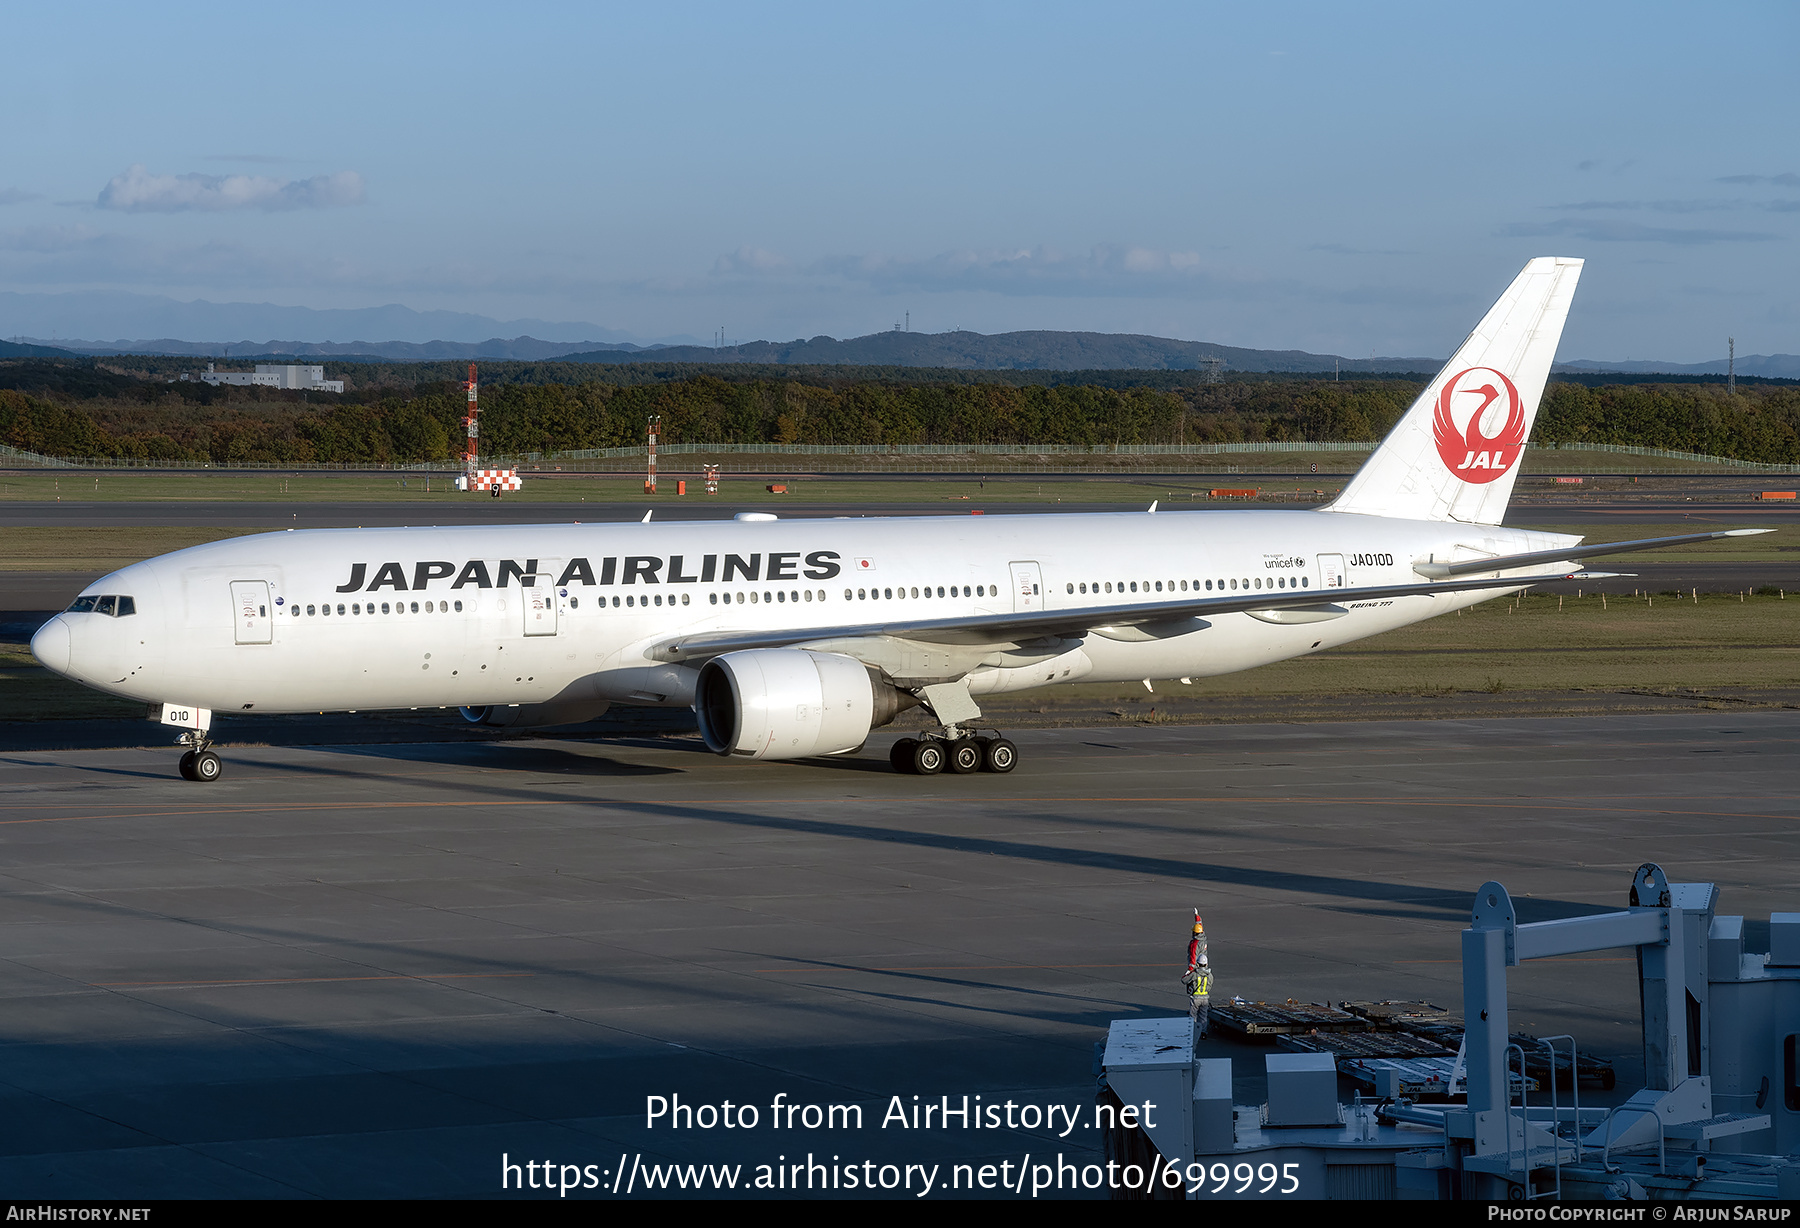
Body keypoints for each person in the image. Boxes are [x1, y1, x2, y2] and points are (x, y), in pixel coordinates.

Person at [1183, 911, 1211, 1038]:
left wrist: (1189, 971)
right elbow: (1200, 926)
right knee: (1203, 1015)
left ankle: (1192, 1031)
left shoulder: (1194, 944)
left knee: (1193, 1014)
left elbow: (1193, 959)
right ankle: (1203, 1032)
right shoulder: (1204, 938)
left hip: (1195, 973)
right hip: (1205, 995)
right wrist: (1197, 917)